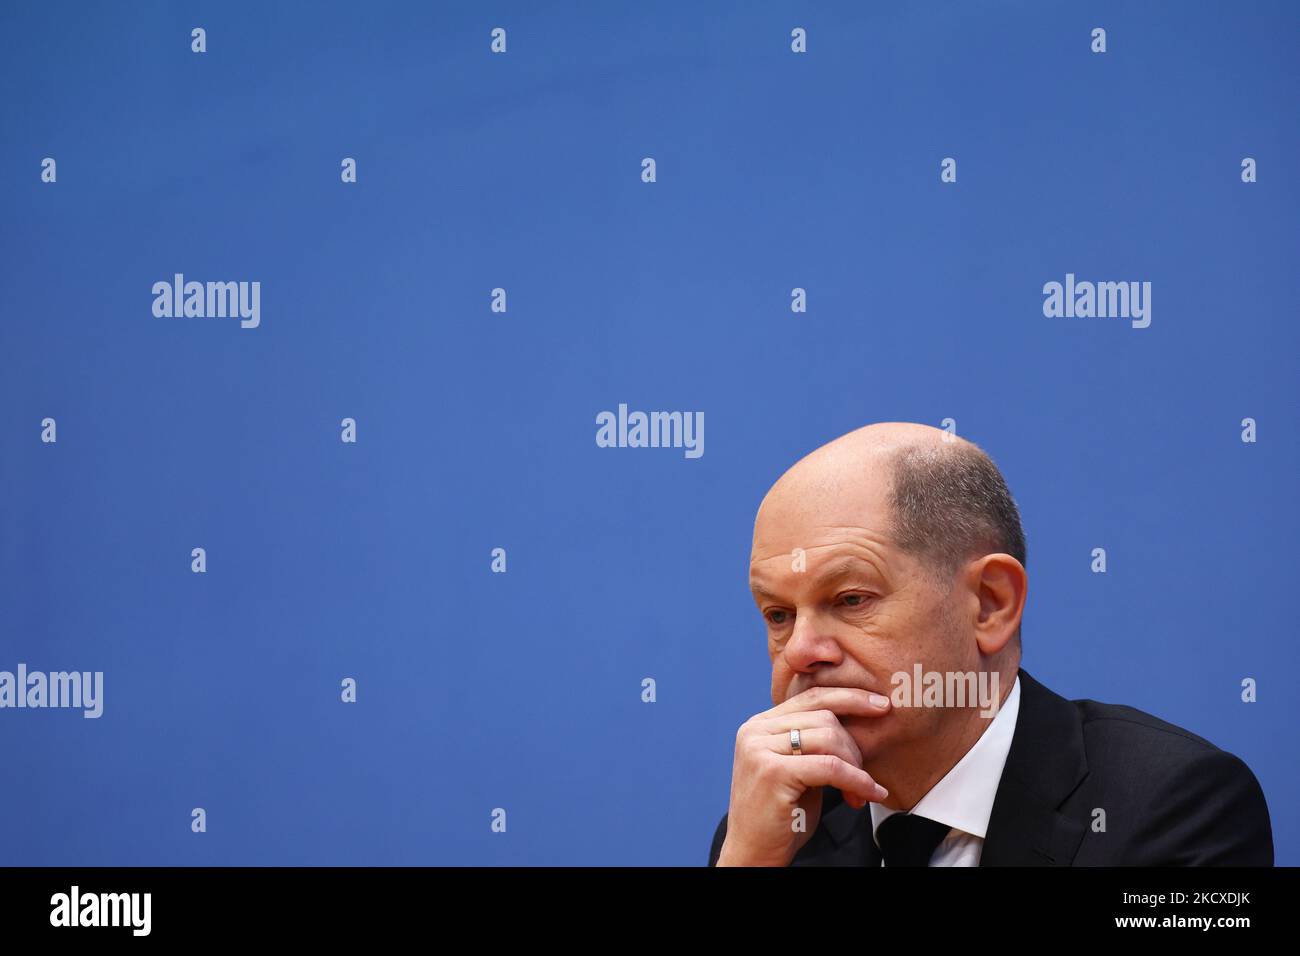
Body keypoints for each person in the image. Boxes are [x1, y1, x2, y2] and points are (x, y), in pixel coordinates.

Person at [708, 422, 1272, 866]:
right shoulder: (781, 830)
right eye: (778, 614)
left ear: (990, 604)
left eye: (851, 599)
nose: (801, 651)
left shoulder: (1169, 807)